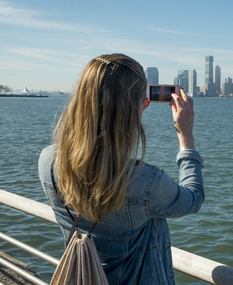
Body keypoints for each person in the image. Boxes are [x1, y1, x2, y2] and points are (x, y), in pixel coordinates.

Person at [38, 53, 204, 284]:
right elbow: (193, 199)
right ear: (134, 108)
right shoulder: (144, 181)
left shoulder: (48, 161)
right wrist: (186, 137)